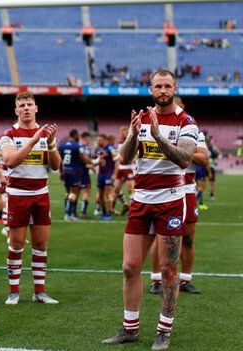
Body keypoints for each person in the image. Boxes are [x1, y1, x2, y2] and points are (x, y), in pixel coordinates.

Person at [102, 70, 198, 350]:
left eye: (168, 86)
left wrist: (157, 135)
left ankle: (163, 331)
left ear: (175, 88)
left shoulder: (187, 122)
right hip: (141, 199)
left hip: (170, 199)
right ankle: (130, 328)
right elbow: (125, 156)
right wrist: (133, 132)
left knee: (168, 268)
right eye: (158, 86)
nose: (163, 90)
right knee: (130, 267)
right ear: (151, 88)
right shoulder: (141, 117)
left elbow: (184, 158)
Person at [0, 92, 61, 306]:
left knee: (41, 244)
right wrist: (34, 140)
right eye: (21, 105)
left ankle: (39, 291)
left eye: (29, 104)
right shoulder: (8, 135)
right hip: (18, 196)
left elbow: (55, 166)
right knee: (16, 244)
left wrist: (51, 144)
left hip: (41, 195)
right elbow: (10, 160)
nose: (26, 108)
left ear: (36, 108)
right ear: (16, 110)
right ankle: (14, 291)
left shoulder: (47, 134)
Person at [148, 97, 208, 295]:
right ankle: (156, 280)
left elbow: (204, 159)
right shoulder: (157, 129)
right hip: (164, 189)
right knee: (159, 238)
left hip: (188, 189)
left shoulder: (194, 130)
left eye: (179, 107)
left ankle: (186, 280)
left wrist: (179, 151)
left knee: (188, 238)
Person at [59, 129, 89, 221]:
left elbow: (59, 159)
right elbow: (84, 159)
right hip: (75, 172)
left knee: (67, 192)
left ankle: (69, 212)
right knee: (74, 193)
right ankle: (69, 214)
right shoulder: (77, 145)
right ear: (76, 135)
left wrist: (61, 171)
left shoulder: (62, 145)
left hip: (66, 170)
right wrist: (93, 161)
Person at [112, 126, 135, 215]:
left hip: (129, 168)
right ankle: (116, 208)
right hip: (121, 168)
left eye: (123, 132)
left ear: (127, 132)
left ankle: (132, 210)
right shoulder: (120, 142)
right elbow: (120, 157)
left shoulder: (132, 141)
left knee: (130, 188)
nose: (121, 134)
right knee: (116, 189)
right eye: (121, 132)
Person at [94, 134, 117, 220]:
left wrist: (115, 174)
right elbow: (95, 161)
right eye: (97, 140)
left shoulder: (110, 148)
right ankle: (103, 213)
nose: (98, 141)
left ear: (104, 140)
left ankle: (109, 213)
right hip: (101, 174)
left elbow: (117, 161)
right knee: (100, 195)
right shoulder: (97, 150)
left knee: (108, 194)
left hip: (109, 173)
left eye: (99, 140)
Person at [78, 132, 93, 218]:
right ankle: (83, 212)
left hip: (76, 172)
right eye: (89, 139)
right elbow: (87, 161)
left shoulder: (78, 147)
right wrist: (93, 164)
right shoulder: (85, 149)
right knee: (86, 191)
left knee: (76, 192)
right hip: (84, 172)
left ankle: (70, 212)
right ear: (87, 139)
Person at [206, 135, 220, 201]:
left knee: (210, 183)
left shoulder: (209, 148)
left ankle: (211, 195)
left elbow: (217, 154)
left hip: (208, 166)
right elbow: (218, 154)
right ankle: (211, 196)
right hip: (207, 167)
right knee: (210, 183)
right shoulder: (208, 148)